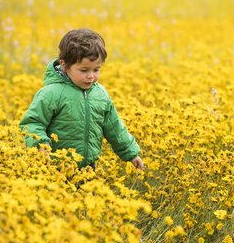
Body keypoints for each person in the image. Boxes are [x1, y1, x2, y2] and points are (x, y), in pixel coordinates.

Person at [19, 28, 143, 170]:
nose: (91, 76)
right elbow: (33, 123)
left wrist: (130, 153)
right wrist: (40, 145)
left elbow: (115, 127)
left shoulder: (100, 94)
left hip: (88, 168)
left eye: (96, 70)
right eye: (84, 70)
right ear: (64, 65)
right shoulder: (52, 93)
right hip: (55, 165)